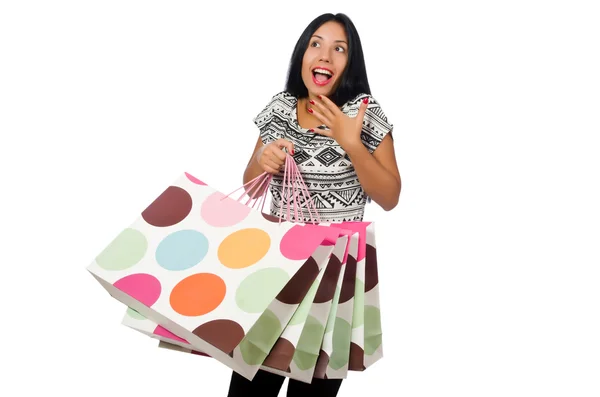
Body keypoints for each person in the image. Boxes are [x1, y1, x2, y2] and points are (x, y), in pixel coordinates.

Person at [229, 12, 401, 397]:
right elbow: (250, 186)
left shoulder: (365, 113)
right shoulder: (280, 107)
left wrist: (351, 142)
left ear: (350, 62)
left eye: (339, 49)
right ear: (302, 55)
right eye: (316, 44)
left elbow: (390, 197)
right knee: (248, 388)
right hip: (277, 270)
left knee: (314, 387)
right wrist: (264, 161)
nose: (325, 55)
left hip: (334, 276)